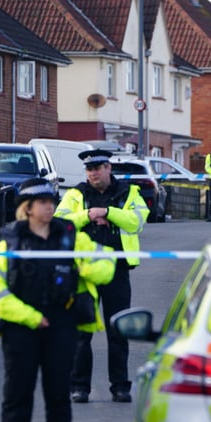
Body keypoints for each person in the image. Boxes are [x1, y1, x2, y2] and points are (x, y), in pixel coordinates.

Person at [0, 178, 115, 422]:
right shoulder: (10, 243)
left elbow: (107, 264)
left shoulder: (70, 238)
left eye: (52, 201)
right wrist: (31, 317)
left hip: (62, 326)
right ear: (27, 208)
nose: (50, 207)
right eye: (43, 202)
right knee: (18, 396)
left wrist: (84, 267)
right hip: (21, 329)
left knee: (58, 396)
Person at [55, 148, 149, 404]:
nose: (93, 173)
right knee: (81, 331)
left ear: (109, 168)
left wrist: (107, 213)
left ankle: (120, 387)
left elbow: (137, 220)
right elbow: (59, 223)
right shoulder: (76, 194)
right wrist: (88, 215)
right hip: (83, 272)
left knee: (117, 329)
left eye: (98, 168)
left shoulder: (128, 192)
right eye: (89, 169)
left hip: (116, 270)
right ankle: (79, 387)